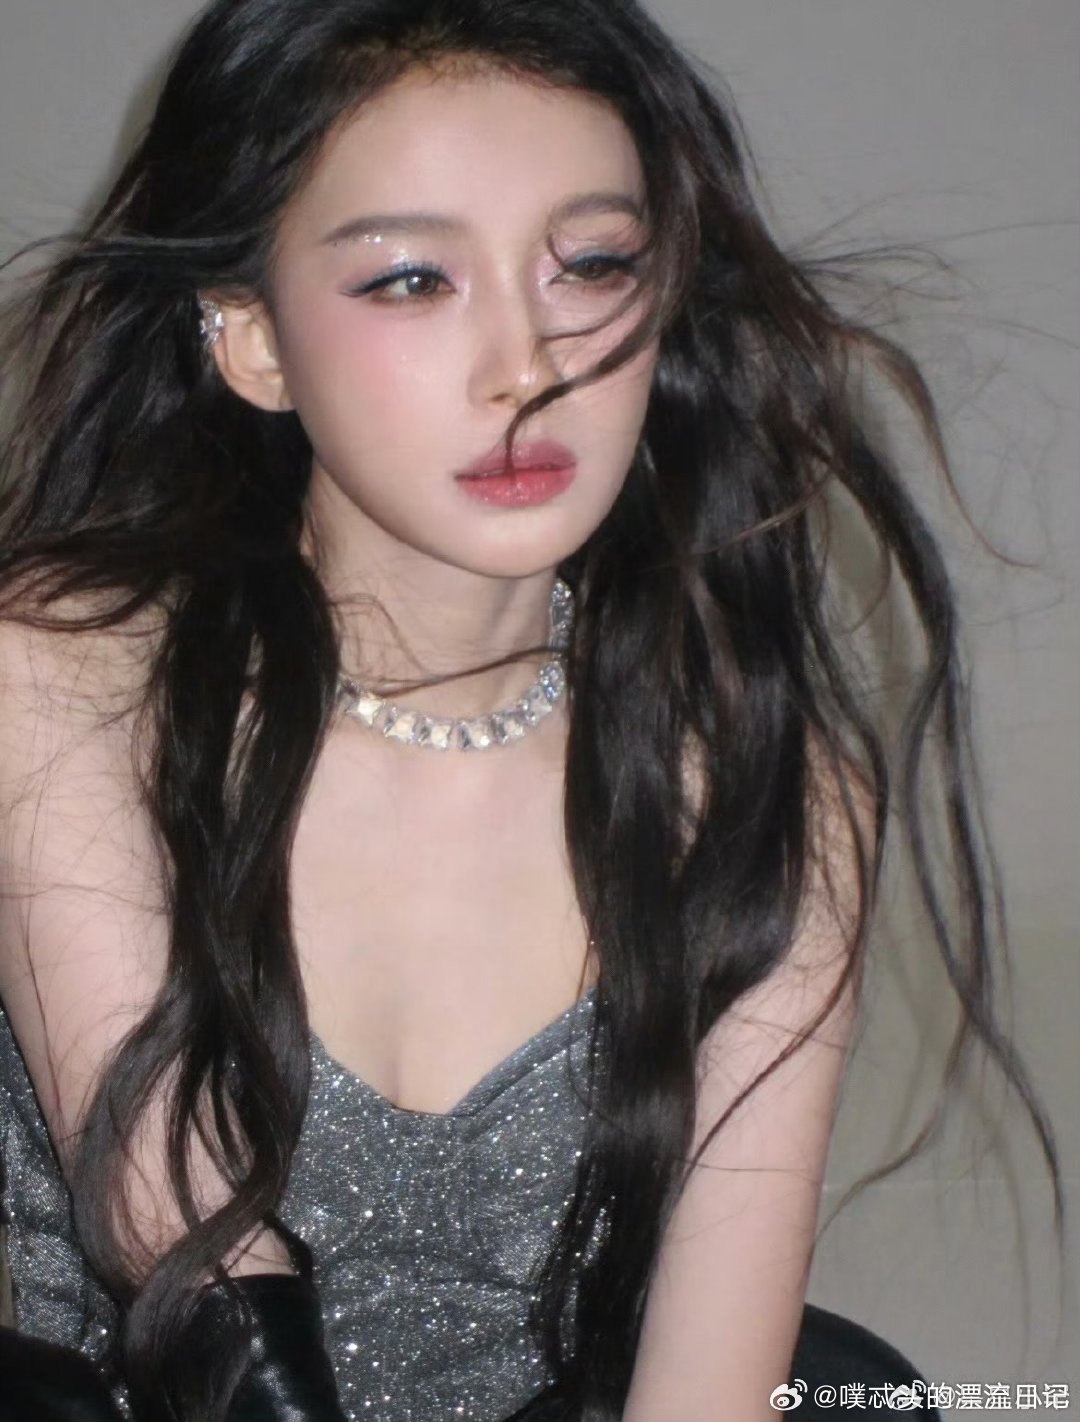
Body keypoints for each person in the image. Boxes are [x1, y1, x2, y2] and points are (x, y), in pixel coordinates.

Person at [0, 1, 1065, 1420]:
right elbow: (201, 1289)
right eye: (411, 280)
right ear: (252, 342)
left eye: (593, 265)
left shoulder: (771, 788)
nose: (527, 363)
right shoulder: (63, 675)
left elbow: (703, 1380)